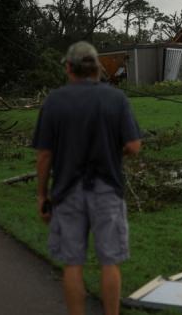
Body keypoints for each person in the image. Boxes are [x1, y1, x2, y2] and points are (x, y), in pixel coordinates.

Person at [33, 41, 142, 315]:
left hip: (67, 192)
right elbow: (133, 146)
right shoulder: (116, 99)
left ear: (69, 68)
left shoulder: (54, 101)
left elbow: (44, 155)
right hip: (108, 190)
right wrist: (109, 152)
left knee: (73, 263)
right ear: (97, 68)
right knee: (109, 261)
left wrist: (42, 195)